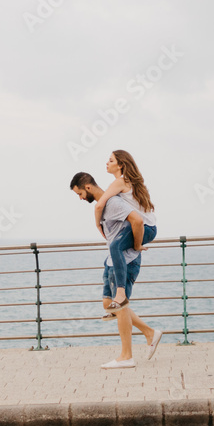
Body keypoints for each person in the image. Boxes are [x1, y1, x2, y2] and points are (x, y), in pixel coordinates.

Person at [70, 171, 163, 369]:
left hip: (126, 262)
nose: (80, 198)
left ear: (87, 187)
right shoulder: (104, 205)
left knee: (120, 307)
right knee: (107, 304)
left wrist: (137, 247)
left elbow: (137, 221)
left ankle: (126, 357)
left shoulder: (112, 203)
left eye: (79, 194)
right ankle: (149, 332)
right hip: (112, 261)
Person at [92, 150, 158, 307]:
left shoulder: (120, 182)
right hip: (149, 228)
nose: (107, 163)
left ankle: (120, 294)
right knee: (116, 247)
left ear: (120, 165)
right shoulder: (132, 182)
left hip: (144, 228)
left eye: (111, 161)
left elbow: (100, 204)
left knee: (115, 246)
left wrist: (97, 224)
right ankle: (117, 297)